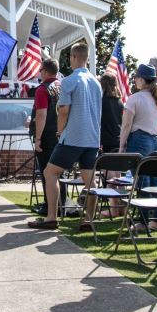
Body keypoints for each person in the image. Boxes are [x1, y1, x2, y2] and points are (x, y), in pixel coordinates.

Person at [28, 43, 101, 230]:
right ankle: (88, 220)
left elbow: (63, 110)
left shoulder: (68, 81)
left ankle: (52, 217)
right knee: (89, 180)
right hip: (92, 138)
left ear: (74, 57)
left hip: (73, 136)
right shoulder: (96, 83)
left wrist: (60, 132)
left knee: (50, 172)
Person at [120, 64, 157, 233]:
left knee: (143, 181)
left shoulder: (135, 98)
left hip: (139, 139)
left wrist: (121, 145)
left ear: (141, 79)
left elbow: (126, 125)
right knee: (156, 181)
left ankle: (143, 220)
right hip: (155, 140)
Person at [30, 59, 61, 215]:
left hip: (47, 137)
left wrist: (38, 138)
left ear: (45, 71)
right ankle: (60, 204)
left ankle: (50, 206)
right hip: (61, 136)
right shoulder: (62, 87)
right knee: (58, 172)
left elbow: (41, 114)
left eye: (40, 69)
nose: (39, 72)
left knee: (47, 173)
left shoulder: (43, 89)